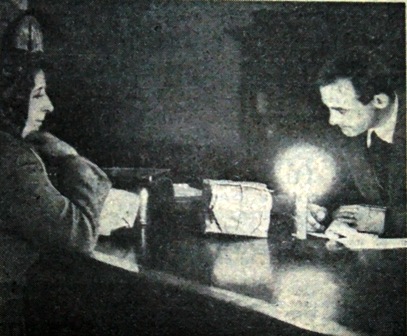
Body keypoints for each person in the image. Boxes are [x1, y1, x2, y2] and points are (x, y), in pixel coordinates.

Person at [0, 60, 112, 255]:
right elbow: (80, 239)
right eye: (38, 95)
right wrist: (71, 158)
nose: (49, 106)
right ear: (11, 102)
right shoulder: (12, 159)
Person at [317, 48, 406, 238]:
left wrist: (385, 222)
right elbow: (338, 193)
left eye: (341, 110)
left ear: (380, 101)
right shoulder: (350, 132)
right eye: (329, 109)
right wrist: (319, 212)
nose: (332, 120)